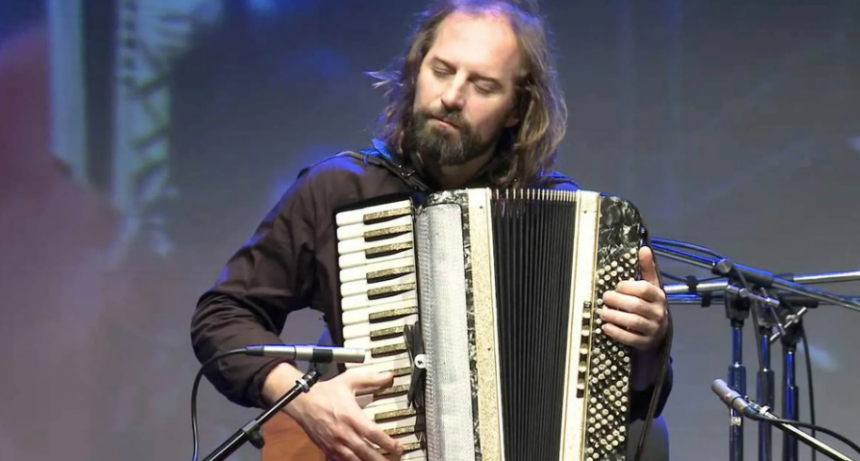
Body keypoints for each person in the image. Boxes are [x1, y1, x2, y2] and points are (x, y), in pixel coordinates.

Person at [190, 1, 673, 460]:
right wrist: (301, 397)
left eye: (483, 86)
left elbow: (632, 402)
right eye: (441, 71)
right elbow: (222, 316)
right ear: (416, 68)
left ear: (515, 109)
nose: (452, 96)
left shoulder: (572, 223)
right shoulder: (339, 190)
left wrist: (650, 345)